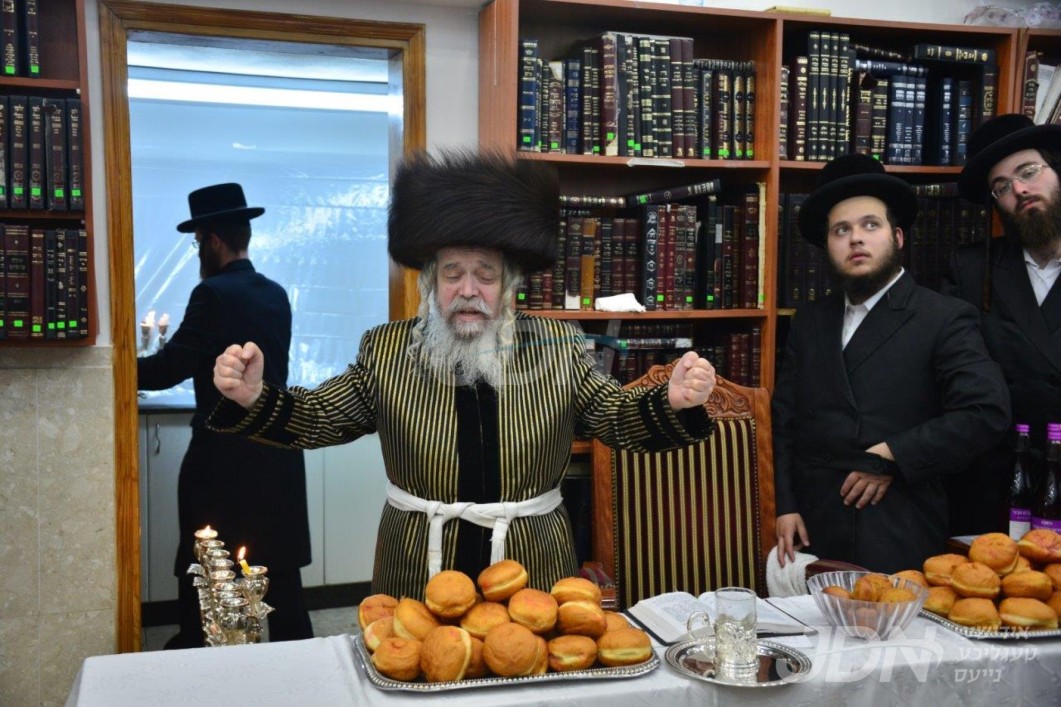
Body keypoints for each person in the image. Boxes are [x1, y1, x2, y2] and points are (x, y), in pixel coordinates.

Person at [207, 150, 718, 599]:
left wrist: (672, 401)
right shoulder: (386, 350)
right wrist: (254, 397)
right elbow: (321, 416)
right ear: (431, 283)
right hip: (417, 567)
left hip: (531, 568)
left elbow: (616, 416)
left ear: (508, 285)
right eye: (452, 273)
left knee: (526, 672)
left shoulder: (558, 346)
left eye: (485, 274)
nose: (468, 290)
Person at [772, 154, 1010, 573]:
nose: (855, 239)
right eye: (841, 230)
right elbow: (785, 418)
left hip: (896, 525)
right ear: (827, 246)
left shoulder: (944, 317)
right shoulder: (809, 320)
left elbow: (985, 411)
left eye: (870, 225)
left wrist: (893, 454)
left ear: (897, 237)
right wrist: (785, 505)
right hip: (812, 525)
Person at [138, 183, 313, 648]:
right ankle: (302, 663)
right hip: (277, 446)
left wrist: (120, 366)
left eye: (198, 242)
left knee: (206, 561)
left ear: (213, 240)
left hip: (222, 456)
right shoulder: (276, 293)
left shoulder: (211, 294)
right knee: (280, 569)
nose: (198, 251)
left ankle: (197, 654)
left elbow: (169, 368)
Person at [942, 114, 1061, 534]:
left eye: (1028, 172)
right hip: (994, 483)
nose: (1020, 190)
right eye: (1002, 187)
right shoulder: (971, 268)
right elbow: (956, 376)